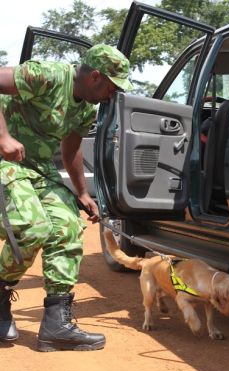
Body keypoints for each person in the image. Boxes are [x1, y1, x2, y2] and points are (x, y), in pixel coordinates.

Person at [0, 44, 133, 351]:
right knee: (32, 228)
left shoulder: (87, 107)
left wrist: (83, 193)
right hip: (6, 163)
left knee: (68, 227)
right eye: (113, 87)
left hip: (38, 170)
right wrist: (4, 137)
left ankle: (56, 324)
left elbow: (71, 148)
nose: (113, 95)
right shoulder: (48, 75)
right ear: (96, 77)